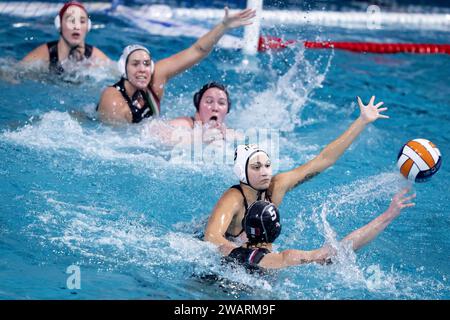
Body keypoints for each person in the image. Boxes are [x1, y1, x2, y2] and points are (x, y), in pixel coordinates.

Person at [204, 96, 389, 251]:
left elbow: (323, 160)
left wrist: (361, 121)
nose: (265, 172)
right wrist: (248, 255)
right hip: (225, 258)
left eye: (267, 165)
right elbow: (211, 237)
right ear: (242, 173)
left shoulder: (276, 186)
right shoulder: (234, 198)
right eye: (256, 167)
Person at [97, 8, 256, 124]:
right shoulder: (113, 101)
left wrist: (224, 26)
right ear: (124, 70)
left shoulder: (155, 78)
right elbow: (118, 142)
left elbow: (197, 50)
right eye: (135, 64)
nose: (142, 69)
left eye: (146, 64)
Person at [223, 189, 415, 270]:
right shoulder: (284, 258)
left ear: (245, 228)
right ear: (277, 230)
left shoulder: (226, 248)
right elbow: (340, 250)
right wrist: (388, 215)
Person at [21, 1, 110, 73]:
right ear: (59, 25)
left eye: (82, 21)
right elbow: (13, 74)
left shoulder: (97, 60)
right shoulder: (43, 56)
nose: (76, 26)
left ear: (88, 27)